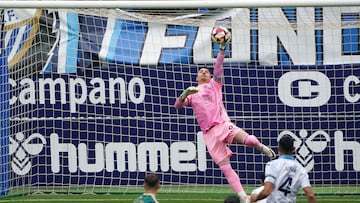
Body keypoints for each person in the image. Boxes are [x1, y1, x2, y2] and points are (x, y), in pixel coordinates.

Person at [174, 37, 276, 203]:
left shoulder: (215, 85)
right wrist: (185, 94)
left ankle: (261, 147)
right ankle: (243, 197)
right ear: (196, 77)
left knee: (250, 141)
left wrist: (222, 49)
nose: (204, 72)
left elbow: (218, 67)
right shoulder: (192, 93)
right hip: (209, 134)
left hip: (222, 124)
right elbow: (177, 106)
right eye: (200, 71)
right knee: (225, 167)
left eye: (206, 70)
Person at [249, 135, 317, 203]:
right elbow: (310, 196)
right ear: (293, 149)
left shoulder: (272, 165)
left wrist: (255, 198)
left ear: (278, 148)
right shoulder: (301, 169)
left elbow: (267, 191)